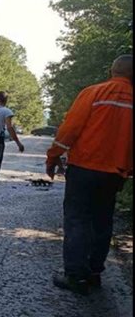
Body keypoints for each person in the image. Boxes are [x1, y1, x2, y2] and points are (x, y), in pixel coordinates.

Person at [46, 54, 132, 295]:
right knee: (102, 221)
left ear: (112, 70)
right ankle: (94, 272)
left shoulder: (94, 93)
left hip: (85, 168)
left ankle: (75, 275)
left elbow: (70, 129)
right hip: (115, 173)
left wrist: (53, 157)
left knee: (77, 219)